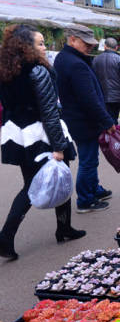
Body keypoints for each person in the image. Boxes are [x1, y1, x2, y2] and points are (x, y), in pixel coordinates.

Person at [0, 24, 85, 259]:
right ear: (26, 47)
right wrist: (59, 146)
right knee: (59, 177)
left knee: (31, 183)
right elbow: (48, 110)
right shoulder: (37, 70)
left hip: (19, 134)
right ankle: (6, 236)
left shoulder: (8, 69)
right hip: (43, 133)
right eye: (40, 43)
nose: (44, 47)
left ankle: (63, 227)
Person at [54, 24, 115, 214]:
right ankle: (85, 199)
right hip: (83, 120)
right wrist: (106, 121)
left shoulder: (64, 58)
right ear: (72, 39)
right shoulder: (75, 64)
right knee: (88, 160)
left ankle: (94, 189)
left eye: (91, 44)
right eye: (86, 43)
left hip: (76, 118)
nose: (90, 47)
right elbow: (88, 99)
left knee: (91, 159)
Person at [93, 38, 120, 127]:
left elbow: (93, 78)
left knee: (112, 118)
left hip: (103, 95)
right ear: (116, 47)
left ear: (105, 46)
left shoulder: (96, 59)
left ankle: (115, 135)